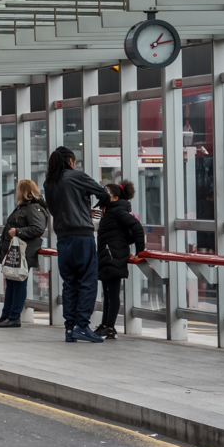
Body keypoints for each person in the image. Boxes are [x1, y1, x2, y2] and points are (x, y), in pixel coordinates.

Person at [43, 146, 111, 343]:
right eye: (74, 160)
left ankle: (70, 328)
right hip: (82, 236)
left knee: (70, 284)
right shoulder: (76, 176)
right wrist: (96, 206)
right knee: (87, 282)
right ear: (69, 160)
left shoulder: (49, 183)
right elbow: (103, 193)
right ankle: (82, 325)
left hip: (62, 239)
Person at [0, 179, 48, 328]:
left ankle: (14, 317)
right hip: (16, 252)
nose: (15, 193)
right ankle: (6, 315)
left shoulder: (34, 208)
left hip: (23, 252)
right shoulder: (23, 207)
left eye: (17, 190)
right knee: (11, 283)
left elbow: (38, 228)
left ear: (24, 191)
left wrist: (18, 231)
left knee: (19, 283)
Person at [94, 181, 145, 339]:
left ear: (115, 197)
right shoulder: (110, 211)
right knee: (107, 293)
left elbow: (136, 227)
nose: (104, 194)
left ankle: (109, 327)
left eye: (108, 192)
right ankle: (105, 325)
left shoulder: (117, 211)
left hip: (113, 256)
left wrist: (140, 252)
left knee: (112, 293)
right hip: (108, 255)